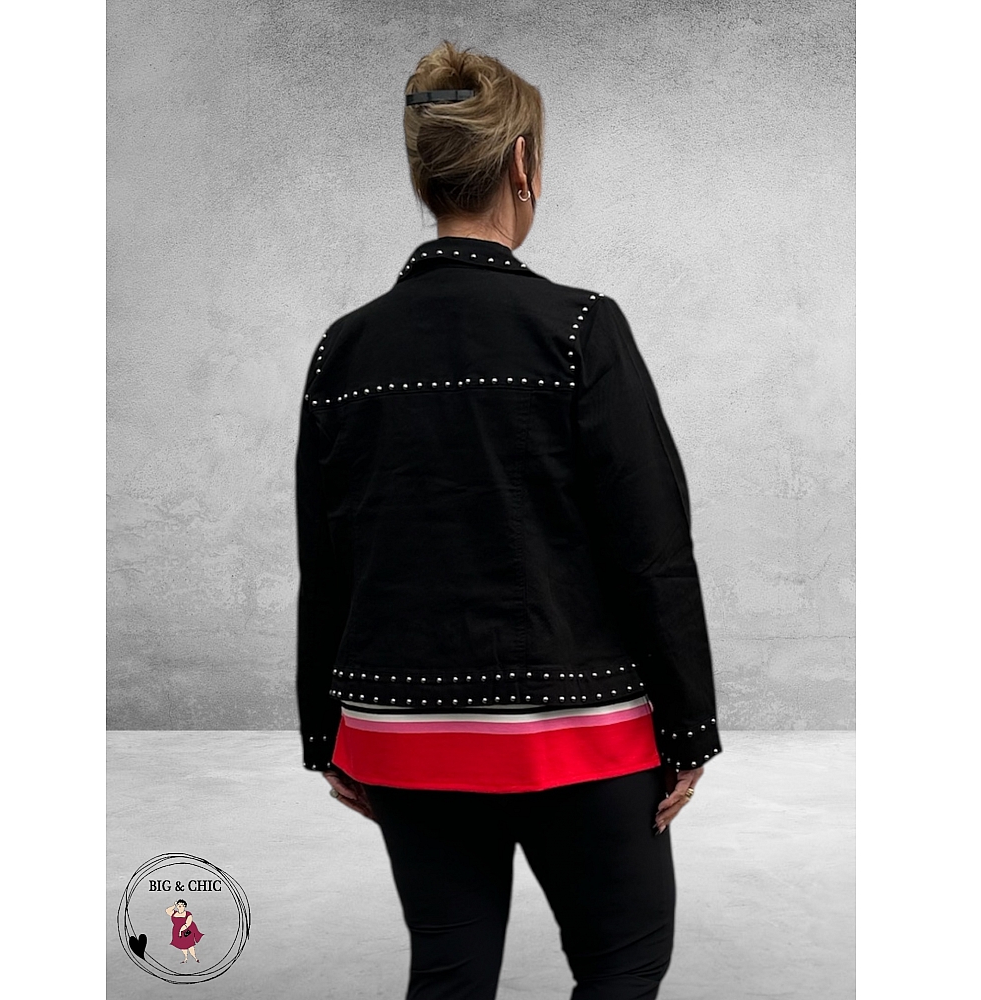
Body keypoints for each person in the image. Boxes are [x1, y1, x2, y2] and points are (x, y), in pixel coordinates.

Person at [295, 39, 722, 1000]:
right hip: (580, 729)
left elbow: (327, 558)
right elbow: (653, 548)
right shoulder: (579, 327)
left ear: (424, 170)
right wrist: (689, 727)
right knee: (623, 963)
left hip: (403, 729)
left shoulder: (342, 349)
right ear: (523, 163)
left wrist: (328, 730)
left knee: (449, 972)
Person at [165, 898, 203, 963]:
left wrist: (181, 930)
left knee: (190, 945)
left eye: (182, 904)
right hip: (176, 931)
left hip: (187, 931)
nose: (180, 906)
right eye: (178, 904)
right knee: (182, 946)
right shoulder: (174, 913)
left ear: (184, 906)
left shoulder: (188, 914)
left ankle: (195, 958)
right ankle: (186, 958)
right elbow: (167, 910)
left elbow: (188, 923)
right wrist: (174, 905)